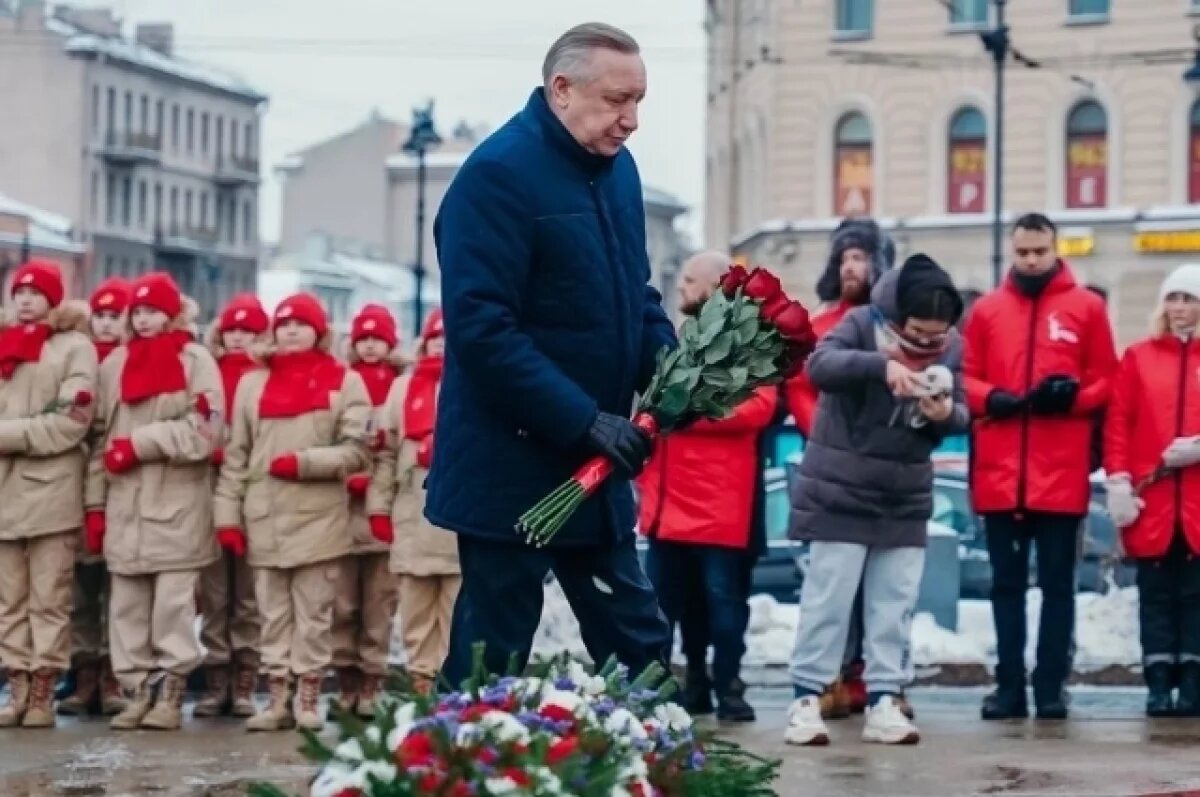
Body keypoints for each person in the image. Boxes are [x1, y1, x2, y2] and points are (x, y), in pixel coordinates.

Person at [431, 22, 676, 685]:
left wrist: (670, 363)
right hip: (509, 468)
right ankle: (463, 777)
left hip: (596, 467)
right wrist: (583, 418)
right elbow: (483, 329)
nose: (631, 120)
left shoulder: (619, 172)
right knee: (493, 654)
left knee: (640, 643)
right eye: (616, 100)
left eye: (639, 101)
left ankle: (656, 776)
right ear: (561, 89)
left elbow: (635, 292)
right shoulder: (495, 177)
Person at [783, 254, 967, 747]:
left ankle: (886, 698)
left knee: (895, 605)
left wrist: (944, 413)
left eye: (938, 335)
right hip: (840, 489)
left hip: (904, 494)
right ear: (895, 317)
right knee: (829, 600)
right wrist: (880, 367)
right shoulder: (862, 323)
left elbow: (963, 412)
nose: (929, 345)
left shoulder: (951, 347)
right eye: (919, 334)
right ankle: (806, 697)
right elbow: (820, 365)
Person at [963, 213, 1118, 720]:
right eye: (1023, 252)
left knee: (1058, 588)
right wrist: (995, 399)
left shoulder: (1086, 308)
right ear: (1013, 251)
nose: (1031, 260)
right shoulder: (987, 311)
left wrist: (1071, 397)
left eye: (1039, 251)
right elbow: (966, 378)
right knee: (1005, 588)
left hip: (1061, 473)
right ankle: (1008, 687)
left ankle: (1050, 687)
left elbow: (1106, 381)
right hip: (1001, 474)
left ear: (1055, 249)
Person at [213, 293, 370, 732]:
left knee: (315, 616)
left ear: (319, 332)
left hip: (318, 520)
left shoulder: (345, 382)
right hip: (265, 519)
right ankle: (277, 698)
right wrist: (227, 515)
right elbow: (237, 456)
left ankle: (308, 699)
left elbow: (357, 452)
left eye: (301, 324)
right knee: (272, 615)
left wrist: (304, 463)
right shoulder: (252, 383)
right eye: (283, 324)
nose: (291, 331)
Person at [637, 250, 778, 723]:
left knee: (723, 606)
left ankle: (728, 684)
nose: (680, 290)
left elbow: (759, 407)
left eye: (689, 282)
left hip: (720, 506)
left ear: (717, 286)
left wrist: (687, 411)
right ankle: (687, 682)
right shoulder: (677, 337)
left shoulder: (751, 339)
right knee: (666, 608)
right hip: (669, 502)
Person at [84, 272, 223, 731]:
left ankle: (171, 693)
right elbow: (100, 438)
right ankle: (136, 692)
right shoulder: (114, 364)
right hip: (125, 510)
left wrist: (142, 443)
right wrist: (95, 506)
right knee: (126, 610)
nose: (143, 320)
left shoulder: (195, 359)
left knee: (172, 609)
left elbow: (205, 431)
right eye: (137, 312)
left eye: (152, 311)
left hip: (177, 509)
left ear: (172, 313)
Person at [784, 217, 897, 720]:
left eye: (862, 257)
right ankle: (826, 676)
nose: (852, 267)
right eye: (845, 258)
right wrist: (823, 436)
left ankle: (874, 680)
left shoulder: (895, 325)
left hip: (883, 466)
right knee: (830, 582)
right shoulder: (821, 327)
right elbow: (800, 389)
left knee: (884, 584)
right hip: (828, 466)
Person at [0, 261, 98, 728]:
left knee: (49, 599)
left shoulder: (74, 348)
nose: (25, 299)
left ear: (54, 299)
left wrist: (7, 434)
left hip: (50, 493)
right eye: (18, 291)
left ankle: (43, 691)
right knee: (7, 602)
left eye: (36, 292)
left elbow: (69, 423)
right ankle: (16, 685)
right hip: (2, 496)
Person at [1104, 264, 1200, 718]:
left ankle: (1194, 685)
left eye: (1189, 299)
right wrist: (1119, 479)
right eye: (1174, 299)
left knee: (1195, 599)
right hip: (1155, 500)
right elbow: (1119, 422)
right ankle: (1159, 684)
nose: (1180, 308)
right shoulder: (1139, 357)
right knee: (1157, 598)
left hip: (1196, 505)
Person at [368, 309, 461, 696]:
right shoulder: (402, 389)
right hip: (411, 516)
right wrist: (378, 507)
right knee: (416, 610)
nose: (440, 344)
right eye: (434, 337)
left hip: (458, 521)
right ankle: (422, 680)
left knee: (456, 610)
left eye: (447, 337)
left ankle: (452, 684)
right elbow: (385, 454)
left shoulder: (473, 383)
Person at [193, 293, 269, 719]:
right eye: (233, 330)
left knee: (249, 593)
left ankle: (245, 679)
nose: (239, 338)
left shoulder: (264, 375)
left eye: (249, 331)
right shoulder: (211, 372)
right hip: (210, 484)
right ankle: (216, 676)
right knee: (214, 589)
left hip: (254, 487)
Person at [58, 277, 129, 718]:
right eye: (99, 316)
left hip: (119, 490)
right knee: (79, 593)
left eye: (114, 316)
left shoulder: (132, 363)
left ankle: (113, 674)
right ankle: (83, 674)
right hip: (71, 489)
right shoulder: (75, 358)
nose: (105, 324)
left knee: (118, 593)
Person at [333, 303, 404, 715]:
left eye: (378, 338)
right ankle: (344, 678)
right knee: (342, 604)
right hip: (342, 513)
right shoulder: (342, 384)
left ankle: (372, 680)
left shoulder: (399, 385)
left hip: (383, 514)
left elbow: (392, 448)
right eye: (363, 339)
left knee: (380, 603)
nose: (370, 346)